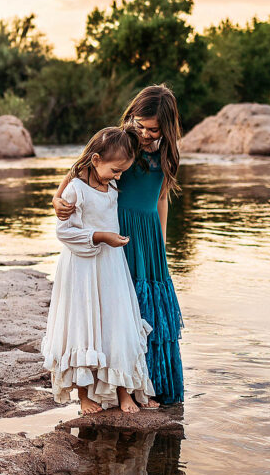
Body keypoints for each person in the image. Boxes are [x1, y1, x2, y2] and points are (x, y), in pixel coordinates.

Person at [54, 85, 184, 405]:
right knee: (121, 308)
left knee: (154, 309)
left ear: (166, 127)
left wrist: (162, 243)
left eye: (152, 129)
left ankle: (154, 386)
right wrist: (58, 197)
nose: (144, 133)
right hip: (118, 228)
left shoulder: (168, 151)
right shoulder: (125, 143)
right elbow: (81, 168)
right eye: (140, 124)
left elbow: (163, 196)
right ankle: (118, 386)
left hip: (149, 236)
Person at [42, 127, 157, 415]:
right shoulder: (76, 189)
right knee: (83, 327)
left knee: (118, 325)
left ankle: (124, 392)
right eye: (116, 170)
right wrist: (100, 237)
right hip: (81, 268)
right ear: (95, 159)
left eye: (122, 172)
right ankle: (84, 396)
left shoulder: (113, 185)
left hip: (111, 267)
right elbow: (64, 232)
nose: (119, 177)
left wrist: (109, 240)